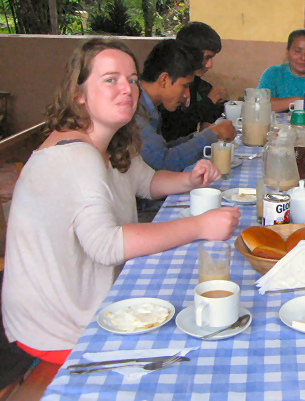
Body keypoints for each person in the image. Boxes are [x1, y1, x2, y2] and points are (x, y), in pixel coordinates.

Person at [1, 39, 240, 365]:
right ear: (78, 93)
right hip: (59, 330)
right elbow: (106, 245)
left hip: (92, 303)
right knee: (199, 349)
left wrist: (189, 180)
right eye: (110, 79)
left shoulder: (111, 139)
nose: (127, 89)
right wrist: (199, 225)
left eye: (130, 79)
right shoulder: (73, 155)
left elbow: (147, 182)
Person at [139, 39, 236, 172]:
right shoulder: (134, 108)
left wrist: (201, 136)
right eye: (185, 86)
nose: (187, 95)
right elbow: (163, 162)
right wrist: (212, 134)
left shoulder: (150, 105)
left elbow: (163, 149)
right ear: (164, 79)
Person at [160, 21, 229, 142]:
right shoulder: (168, 83)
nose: (210, 65)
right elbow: (175, 129)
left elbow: (216, 107)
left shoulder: (198, 83)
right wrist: (208, 102)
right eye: (207, 58)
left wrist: (208, 119)